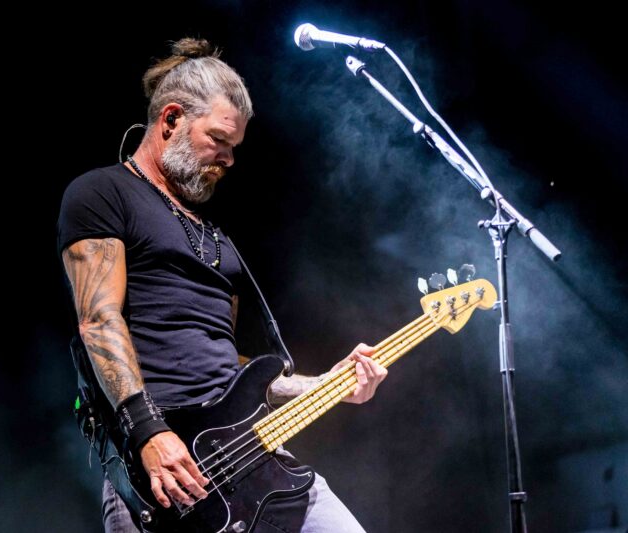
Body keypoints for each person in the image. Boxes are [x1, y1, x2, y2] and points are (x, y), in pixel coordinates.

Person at [57, 38, 388, 533]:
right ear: (171, 120)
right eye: (219, 140)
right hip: (163, 469)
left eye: (235, 148)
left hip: (250, 453)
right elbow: (98, 321)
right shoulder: (103, 193)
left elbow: (227, 366)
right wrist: (148, 432)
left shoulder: (217, 239)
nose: (230, 159)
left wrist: (324, 386)